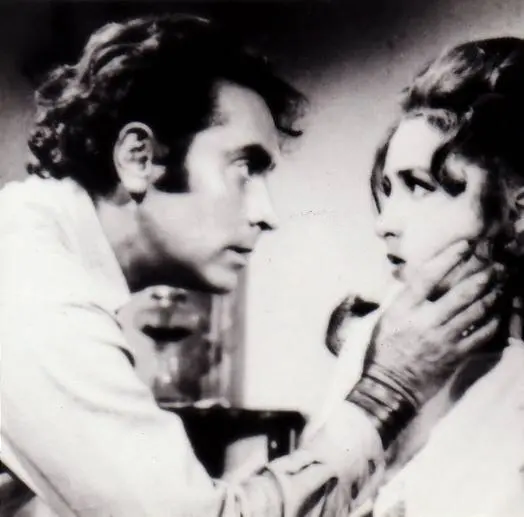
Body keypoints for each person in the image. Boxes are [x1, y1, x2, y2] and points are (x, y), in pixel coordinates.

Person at [0, 14, 501, 517]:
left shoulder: (36, 257)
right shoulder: (39, 296)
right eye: (244, 168)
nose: (267, 214)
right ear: (138, 157)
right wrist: (388, 390)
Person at [324, 37, 524, 516]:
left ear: (517, 211)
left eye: (419, 186)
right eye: (387, 190)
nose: (384, 223)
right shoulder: (375, 343)